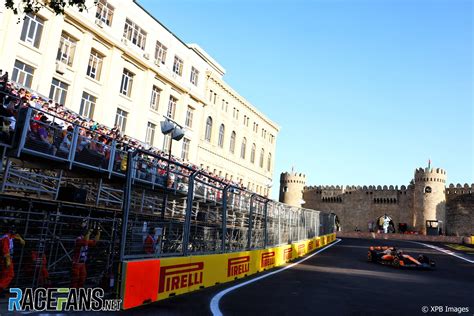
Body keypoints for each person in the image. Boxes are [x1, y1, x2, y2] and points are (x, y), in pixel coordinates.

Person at [0, 227, 25, 292]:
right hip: (5, 258)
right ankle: (1, 288)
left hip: (6, 257)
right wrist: (8, 260)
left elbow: (19, 239)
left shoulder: (9, 237)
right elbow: (5, 250)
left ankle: (1, 288)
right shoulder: (5, 238)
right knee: (9, 274)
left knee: (5, 274)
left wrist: (20, 239)